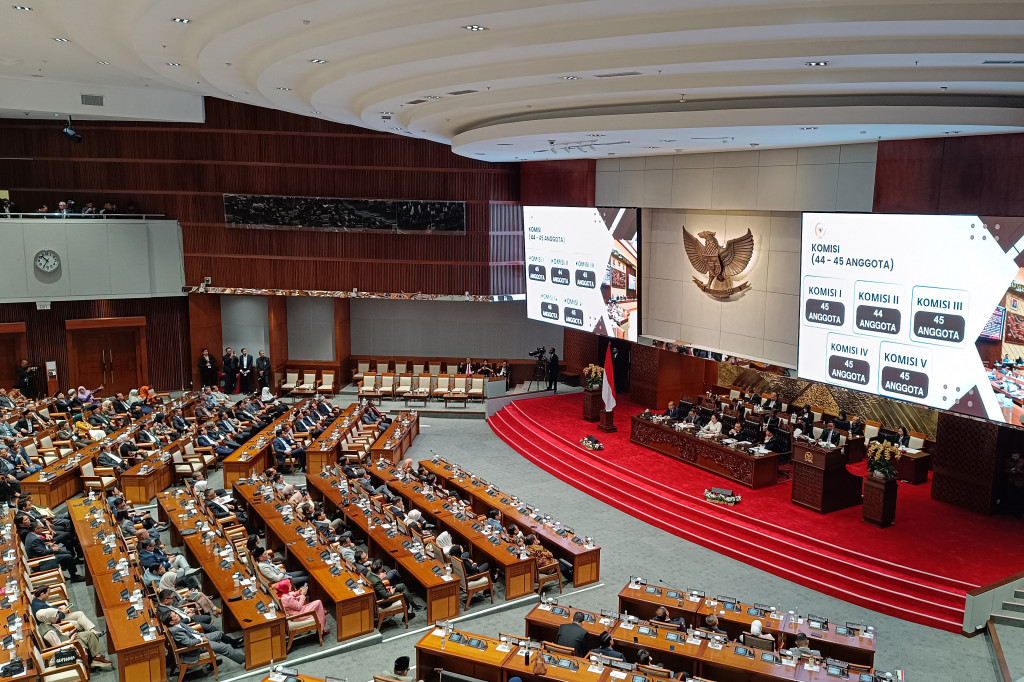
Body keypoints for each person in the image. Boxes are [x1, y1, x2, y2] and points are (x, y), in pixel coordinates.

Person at [34, 608, 112, 670]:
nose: (57, 617)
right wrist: (71, 639)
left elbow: (60, 634)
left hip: (66, 639)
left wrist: (69, 633)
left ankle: (96, 658)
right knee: (84, 638)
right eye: (55, 616)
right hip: (64, 647)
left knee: (89, 634)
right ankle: (94, 658)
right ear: (48, 618)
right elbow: (58, 646)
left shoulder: (46, 624)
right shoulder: (49, 632)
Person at [163, 609, 245, 665]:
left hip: (198, 637)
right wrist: (201, 639)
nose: (178, 615)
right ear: (171, 622)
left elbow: (190, 630)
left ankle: (234, 643)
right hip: (196, 647)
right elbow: (189, 643)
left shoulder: (178, 623)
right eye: (175, 616)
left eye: (176, 614)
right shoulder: (176, 631)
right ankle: (245, 660)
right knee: (225, 648)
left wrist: (199, 635)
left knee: (218, 633)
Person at [156, 589, 221, 632]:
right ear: (166, 600)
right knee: (211, 627)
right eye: (172, 598)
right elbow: (177, 623)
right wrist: (188, 617)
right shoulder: (164, 612)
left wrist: (185, 610)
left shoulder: (165, 604)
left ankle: (207, 627)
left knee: (208, 618)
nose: (173, 600)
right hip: (187, 622)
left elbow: (175, 608)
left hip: (186, 615)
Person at [1005, 452, 1024, 518]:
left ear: (1019, 455)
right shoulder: (1008, 461)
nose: (1014, 457)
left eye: (1016, 456)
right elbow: (1005, 470)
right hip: (1011, 481)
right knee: (1010, 496)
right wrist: (1010, 471)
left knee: (1019, 498)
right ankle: (1009, 511)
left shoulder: (1023, 461)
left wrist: (1019, 471)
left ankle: (1018, 513)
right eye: (1013, 456)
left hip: (1019, 482)